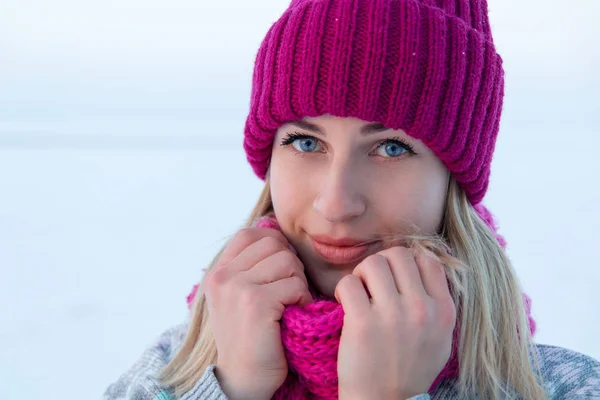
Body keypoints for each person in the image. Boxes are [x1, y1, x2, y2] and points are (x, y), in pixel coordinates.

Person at [103, 0, 600, 399]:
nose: (336, 204)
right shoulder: (169, 374)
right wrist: (230, 387)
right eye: (305, 142)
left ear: (452, 178)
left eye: (391, 148)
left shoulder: (563, 387)